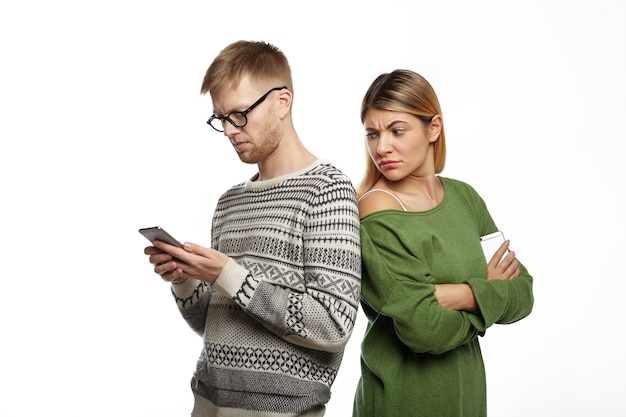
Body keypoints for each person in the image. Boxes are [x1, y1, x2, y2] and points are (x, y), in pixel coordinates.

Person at [143, 40, 361, 417]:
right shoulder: (229, 202)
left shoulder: (328, 192)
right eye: (220, 118)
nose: (229, 130)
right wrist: (183, 279)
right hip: (207, 402)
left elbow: (331, 326)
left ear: (282, 102)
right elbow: (215, 324)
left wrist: (227, 275)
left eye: (239, 114)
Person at [351, 69, 534, 417]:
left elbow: (523, 293)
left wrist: (459, 294)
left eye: (397, 130)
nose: (381, 147)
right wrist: (485, 293)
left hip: (466, 398)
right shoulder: (375, 213)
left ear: (433, 127)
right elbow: (424, 331)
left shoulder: (465, 198)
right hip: (402, 402)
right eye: (372, 134)